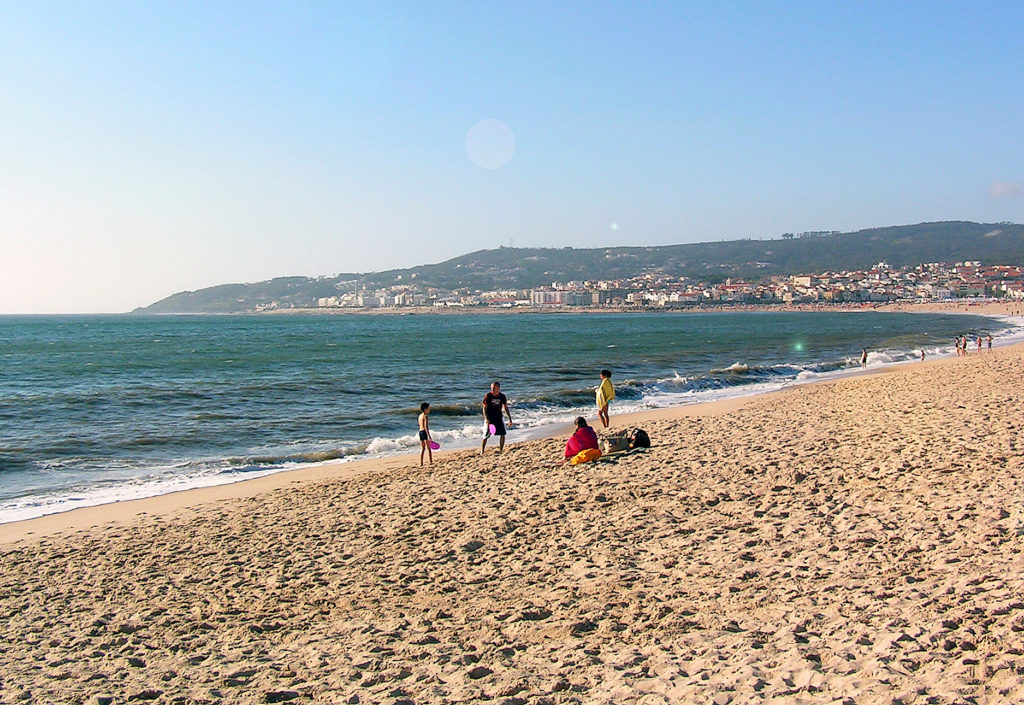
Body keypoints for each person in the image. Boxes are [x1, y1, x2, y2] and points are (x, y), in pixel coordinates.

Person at [481, 381, 512, 454]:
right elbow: (484, 408)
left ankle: (501, 449)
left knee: (502, 433)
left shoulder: (502, 396)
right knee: (486, 435)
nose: (492, 389)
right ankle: (482, 450)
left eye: (494, 388)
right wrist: (487, 419)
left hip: (498, 417)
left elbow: (505, 407)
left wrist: (510, 419)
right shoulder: (488, 396)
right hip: (490, 418)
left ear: (498, 388)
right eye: (491, 388)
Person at [418, 402, 433, 466]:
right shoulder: (425, 416)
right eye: (428, 408)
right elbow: (426, 427)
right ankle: (431, 461)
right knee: (429, 449)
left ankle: (421, 463)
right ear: (425, 409)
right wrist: (429, 436)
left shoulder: (420, 416)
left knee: (423, 448)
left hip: (420, 432)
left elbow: (420, 425)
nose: (429, 410)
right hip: (424, 432)